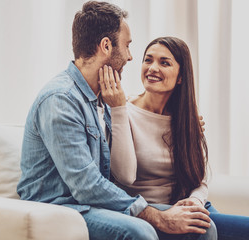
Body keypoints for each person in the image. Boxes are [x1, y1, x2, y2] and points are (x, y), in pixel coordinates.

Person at [17, 2, 216, 239]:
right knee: (140, 231)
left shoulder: (102, 99)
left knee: (200, 228)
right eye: (127, 45)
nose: (131, 57)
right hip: (62, 207)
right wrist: (156, 215)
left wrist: (185, 124)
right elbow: (86, 185)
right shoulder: (61, 99)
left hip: (93, 205)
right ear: (106, 46)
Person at [101, 36, 249, 240]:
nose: (152, 67)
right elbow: (124, 176)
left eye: (164, 62)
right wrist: (118, 110)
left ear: (181, 77)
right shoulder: (121, 111)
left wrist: (195, 201)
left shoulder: (186, 117)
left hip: (185, 202)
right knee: (203, 231)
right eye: (148, 60)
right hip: (148, 209)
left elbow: (200, 177)